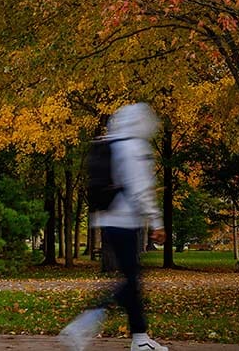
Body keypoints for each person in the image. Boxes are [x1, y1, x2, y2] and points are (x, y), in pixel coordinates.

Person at [59, 102, 168, 351]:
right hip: (125, 221)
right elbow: (141, 190)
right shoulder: (134, 147)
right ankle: (86, 322)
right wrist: (157, 222)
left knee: (132, 280)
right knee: (131, 282)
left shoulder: (112, 143)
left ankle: (140, 339)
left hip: (109, 219)